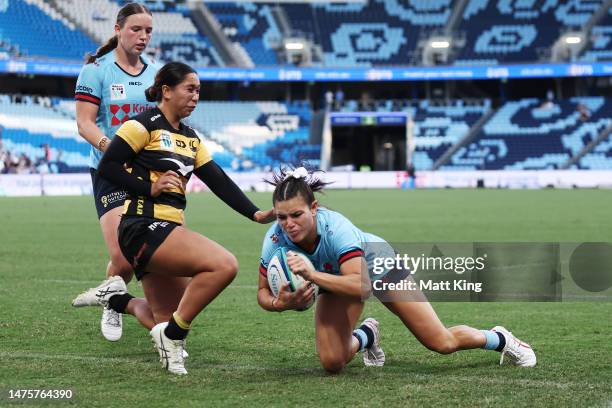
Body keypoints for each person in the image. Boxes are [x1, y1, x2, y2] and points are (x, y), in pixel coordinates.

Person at [77, 61, 273, 375]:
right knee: (224, 265)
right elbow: (108, 166)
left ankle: (116, 299)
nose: (196, 97)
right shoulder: (142, 125)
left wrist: (256, 213)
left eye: (199, 91)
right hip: (142, 226)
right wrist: (149, 186)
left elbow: (218, 180)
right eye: (190, 89)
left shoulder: (192, 139)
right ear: (166, 91)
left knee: (164, 319)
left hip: (165, 230)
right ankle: (172, 338)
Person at [257, 167, 536, 374]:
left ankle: (501, 339)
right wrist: (278, 303)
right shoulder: (274, 240)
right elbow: (262, 293)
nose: (288, 224)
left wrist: (312, 275)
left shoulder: (336, 228)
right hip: (336, 279)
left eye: (297, 215)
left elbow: (361, 286)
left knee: (441, 342)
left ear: (314, 208)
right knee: (332, 362)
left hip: (377, 265)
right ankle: (367, 336)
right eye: (281, 217)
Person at [72, 3, 159, 341]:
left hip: (148, 174)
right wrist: (116, 149)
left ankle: (113, 296)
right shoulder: (96, 71)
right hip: (110, 171)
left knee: (140, 257)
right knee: (122, 257)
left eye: (148, 30)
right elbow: (84, 124)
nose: (143, 36)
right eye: (136, 29)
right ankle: (116, 301)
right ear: (118, 29)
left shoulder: (156, 73)